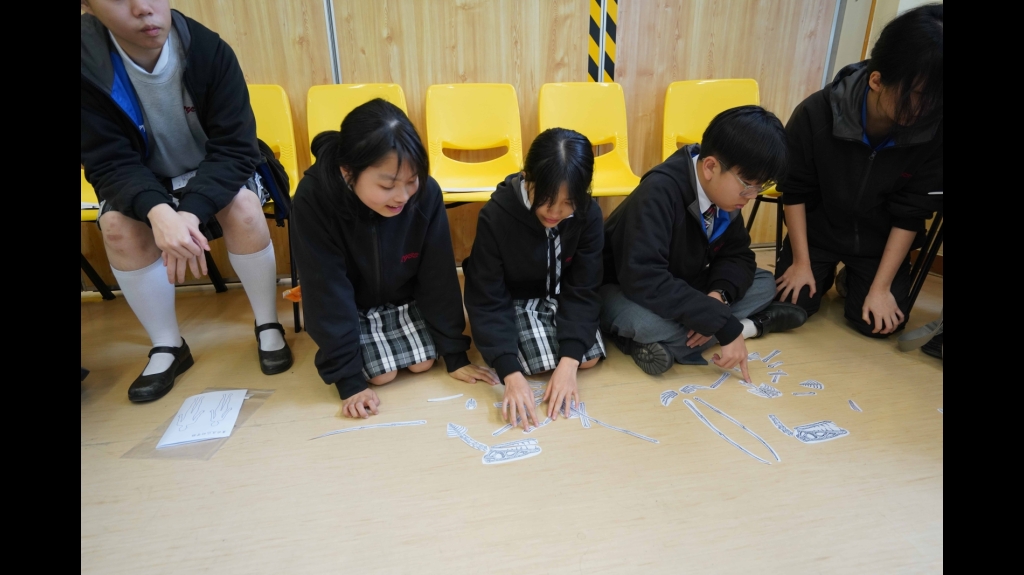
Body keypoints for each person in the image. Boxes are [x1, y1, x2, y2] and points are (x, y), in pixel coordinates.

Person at [81, 0, 292, 403]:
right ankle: (168, 345)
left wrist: (190, 212)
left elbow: (235, 148)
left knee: (245, 209)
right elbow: (107, 161)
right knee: (116, 228)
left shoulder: (208, 49)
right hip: (144, 179)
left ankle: (268, 324)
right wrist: (159, 211)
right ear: (88, 6)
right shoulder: (86, 64)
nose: (143, 8)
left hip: (212, 167)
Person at [291, 99, 499, 419]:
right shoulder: (313, 198)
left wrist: (455, 354)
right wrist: (348, 380)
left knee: (423, 364)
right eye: (387, 185)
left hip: (404, 300)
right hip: (354, 307)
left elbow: (438, 275)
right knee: (381, 376)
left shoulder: (426, 193)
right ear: (348, 172)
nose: (402, 196)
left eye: (412, 180)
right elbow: (326, 290)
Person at [601, 106, 807, 381]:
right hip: (624, 287)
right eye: (748, 185)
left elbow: (739, 256)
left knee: (764, 282)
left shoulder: (727, 196)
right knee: (644, 324)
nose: (752, 196)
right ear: (710, 167)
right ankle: (750, 326)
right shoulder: (658, 192)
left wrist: (718, 298)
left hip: (679, 282)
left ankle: (702, 338)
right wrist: (718, 321)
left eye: (759, 187)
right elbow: (644, 278)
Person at [774, 4, 943, 337]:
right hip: (818, 233)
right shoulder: (816, 112)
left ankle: (854, 280)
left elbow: (911, 213)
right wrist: (801, 264)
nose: (926, 109)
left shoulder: (934, 131)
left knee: (879, 325)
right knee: (790, 304)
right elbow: (794, 191)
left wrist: (881, 288)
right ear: (876, 80)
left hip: (877, 243)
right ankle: (819, 271)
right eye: (918, 95)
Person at [463, 128, 605, 430]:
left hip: (559, 297)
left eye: (569, 202)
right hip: (516, 300)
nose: (556, 212)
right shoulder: (496, 216)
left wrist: (569, 364)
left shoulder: (589, 215)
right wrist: (510, 374)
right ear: (527, 178)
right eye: (548, 199)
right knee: (531, 366)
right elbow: (487, 296)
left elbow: (584, 288)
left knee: (584, 358)